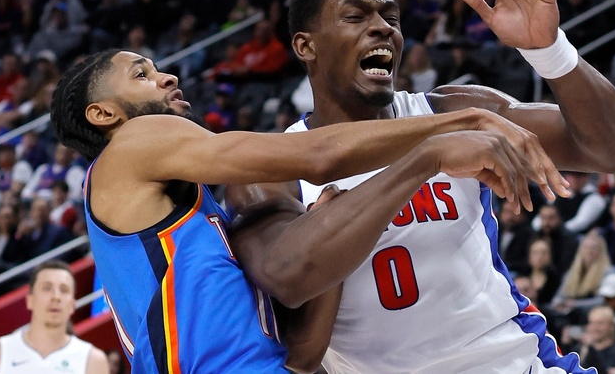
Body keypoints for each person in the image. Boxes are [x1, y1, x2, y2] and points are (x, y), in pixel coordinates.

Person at [230, 0, 615, 374]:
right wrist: (423, 161)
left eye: (390, 16)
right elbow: (287, 280)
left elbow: (612, 148)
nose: (382, 27)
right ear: (305, 45)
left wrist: (549, 49)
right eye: (356, 16)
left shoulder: (452, 108)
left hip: (516, 363)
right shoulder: (271, 165)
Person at [50, 46, 555, 373]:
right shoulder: (134, 141)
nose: (167, 76)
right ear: (104, 114)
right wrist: (458, 125)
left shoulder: (186, 219)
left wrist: (326, 232)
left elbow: (304, 354)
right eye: (142, 74)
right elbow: (318, 156)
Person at [0, 260, 108, 374]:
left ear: (73, 305)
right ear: (29, 300)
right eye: (47, 288)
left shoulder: (93, 360)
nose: (56, 297)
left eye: (64, 290)